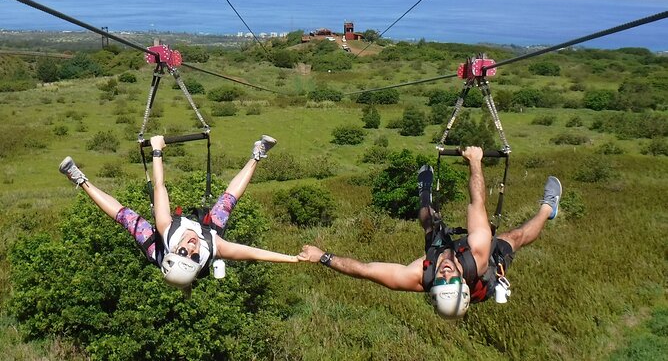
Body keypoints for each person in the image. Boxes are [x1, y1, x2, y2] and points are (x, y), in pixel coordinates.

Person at [300, 146, 562, 319]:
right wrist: (475, 162)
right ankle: (549, 208)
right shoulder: (479, 256)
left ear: (432, 286)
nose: (445, 273)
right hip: (486, 263)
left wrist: (323, 256)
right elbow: (476, 203)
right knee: (514, 238)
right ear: (462, 281)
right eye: (452, 279)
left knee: (430, 223)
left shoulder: (417, 277)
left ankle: (423, 190)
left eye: (441, 281)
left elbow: (365, 270)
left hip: (448, 253)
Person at [59, 134, 306, 290]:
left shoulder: (166, 231)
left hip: (159, 246)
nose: (192, 246)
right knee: (227, 202)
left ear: (175, 249)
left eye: (184, 251)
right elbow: (256, 254)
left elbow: (159, 186)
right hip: (205, 237)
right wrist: (294, 259)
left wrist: (157, 150)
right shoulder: (214, 247)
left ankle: (79, 179)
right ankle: (257, 155)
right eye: (194, 255)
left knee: (127, 217)